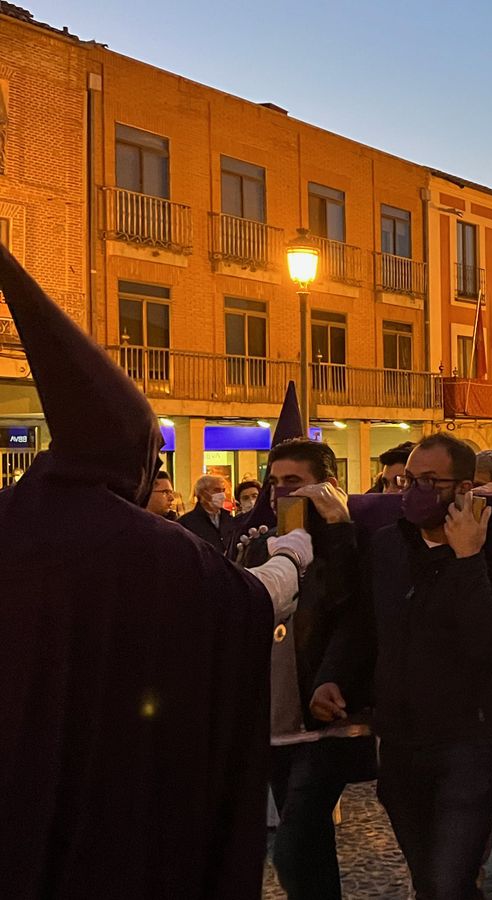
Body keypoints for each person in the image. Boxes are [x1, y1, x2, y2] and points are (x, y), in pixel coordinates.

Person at [0, 246, 300, 897]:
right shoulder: (148, 545)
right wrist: (292, 557)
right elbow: (248, 605)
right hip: (107, 804)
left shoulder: (11, 519)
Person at [317, 434, 492, 900]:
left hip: (470, 742)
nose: (414, 490)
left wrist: (467, 558)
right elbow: (364, 624)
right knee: (431, 883)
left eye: (431, 481)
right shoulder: (390, 546)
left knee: (449, 882)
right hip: (401, 742)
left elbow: (489, 640)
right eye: (410, 479)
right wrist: (332, 675)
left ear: (464, 487)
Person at [235, 433, 369, 900]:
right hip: (275, 718)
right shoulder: (262, 546)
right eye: (275, 483)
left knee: (291, 847)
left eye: (294, 482)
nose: (281, 493)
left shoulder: (348, 543)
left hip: (322, 719)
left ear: (326, 485)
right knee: (311, 846)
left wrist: (339, 532)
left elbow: (351, 612)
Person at [179, 473, 235, 553]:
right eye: (216, 490)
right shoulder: (186, 523)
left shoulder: (229, 519)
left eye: (223, 490)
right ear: (202, 493)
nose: (222, 495)